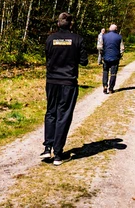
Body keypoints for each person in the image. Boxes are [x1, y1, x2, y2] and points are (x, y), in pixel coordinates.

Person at [43, 12, 88, 166]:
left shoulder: (50, 39)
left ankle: (47, 147)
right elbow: (84, 61)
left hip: (52, 81)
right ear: (71, 24)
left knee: (51, 112)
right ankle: (58, 153)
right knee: (64, 115)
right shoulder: (77, 39)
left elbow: (48, 58)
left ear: (58, 23)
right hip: (68, 81)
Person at [100, 24, 124, 94]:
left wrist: (102, 54)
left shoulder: (104, 36)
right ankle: (111, 88)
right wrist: (120, 56)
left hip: (106, 57)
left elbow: (100, 47)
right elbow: (122, 48)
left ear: (109, 29)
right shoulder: (119, 37)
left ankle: (105, 85)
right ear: (116, 29)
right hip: (115, 58)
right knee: (113, 73)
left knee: (105, 71)